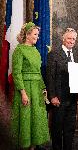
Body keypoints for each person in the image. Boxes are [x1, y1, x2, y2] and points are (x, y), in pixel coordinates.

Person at [11, 22, 50, 150]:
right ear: (27, 35)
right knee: (26, 118)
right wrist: (23, 92)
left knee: (36, 118)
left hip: (36, 89)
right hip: (26, 89)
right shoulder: (19, 50)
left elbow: (38, 72)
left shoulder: (35, 51)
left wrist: (43, 89)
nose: (37, 37)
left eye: (38, 35)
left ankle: (33, 147)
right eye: (35, 34)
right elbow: (17, 73)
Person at [46, 28, 78, 150]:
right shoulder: (53, 54)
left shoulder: (75, 54)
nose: (71, 41)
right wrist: (52, 96)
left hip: (72, 98)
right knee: (57, 129)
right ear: (63, 39)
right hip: (58, 98)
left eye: (73, 39)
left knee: (70, 129)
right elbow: (50, 77)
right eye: (69, 38)